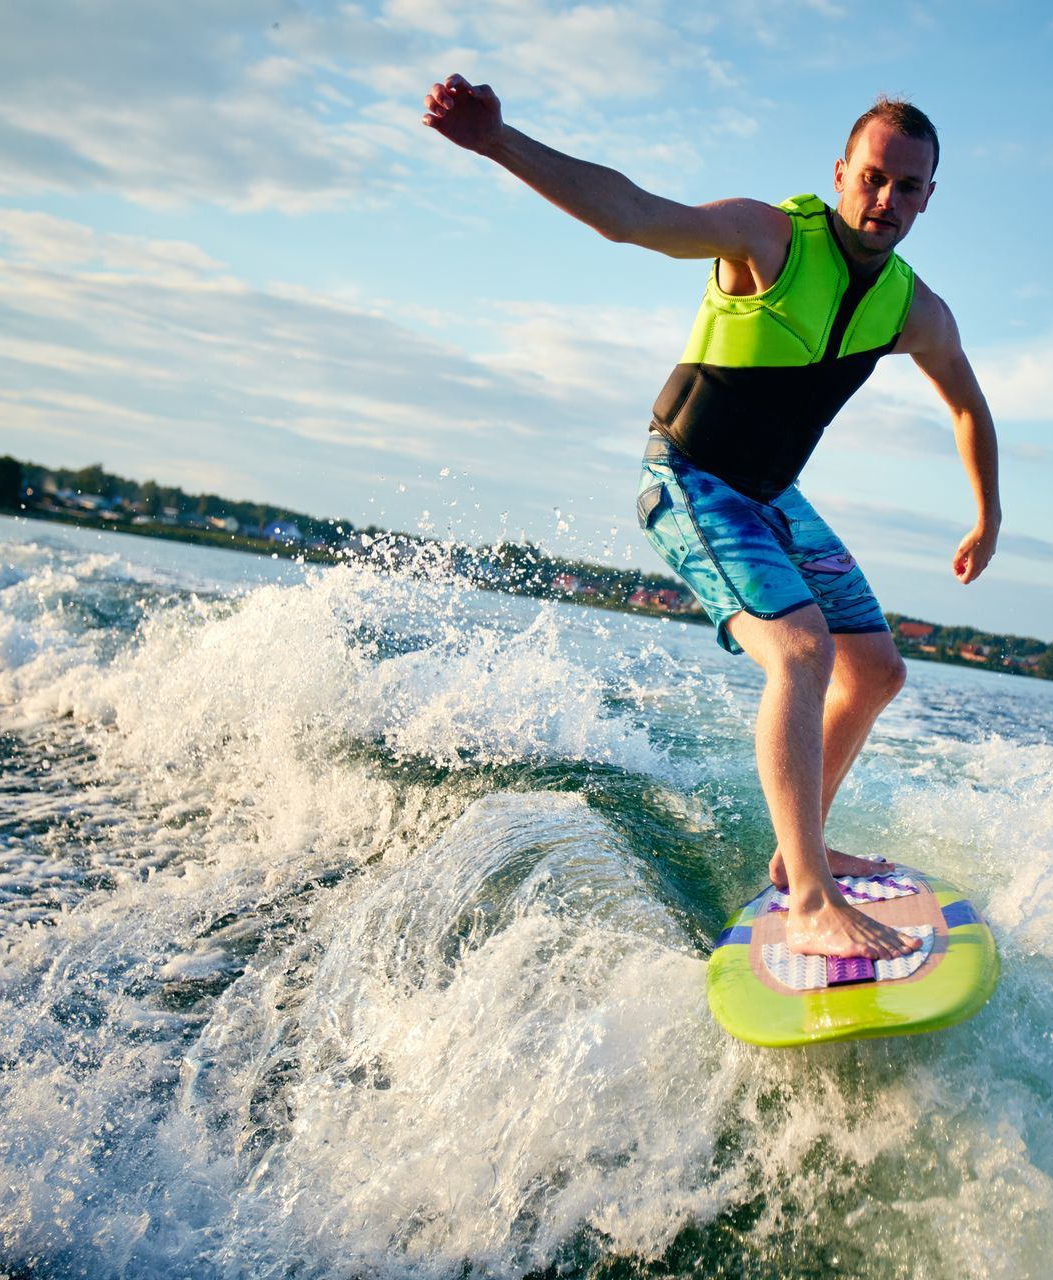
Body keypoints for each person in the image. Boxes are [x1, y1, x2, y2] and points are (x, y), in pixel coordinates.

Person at [424, 74, 1000, 959]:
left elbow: (966, 403)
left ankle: (790, 854)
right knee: (803, 652)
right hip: (689, 477)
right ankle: (810, 899)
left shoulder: (915, 308)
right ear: (841, 171)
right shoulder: (766, 236)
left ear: (930, 197)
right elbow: (631, 213)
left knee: (876, 671)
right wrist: (500, 141)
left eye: (908, 186)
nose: (886, 199)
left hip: (771, 496)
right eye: (873, 177)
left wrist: (986, 516)